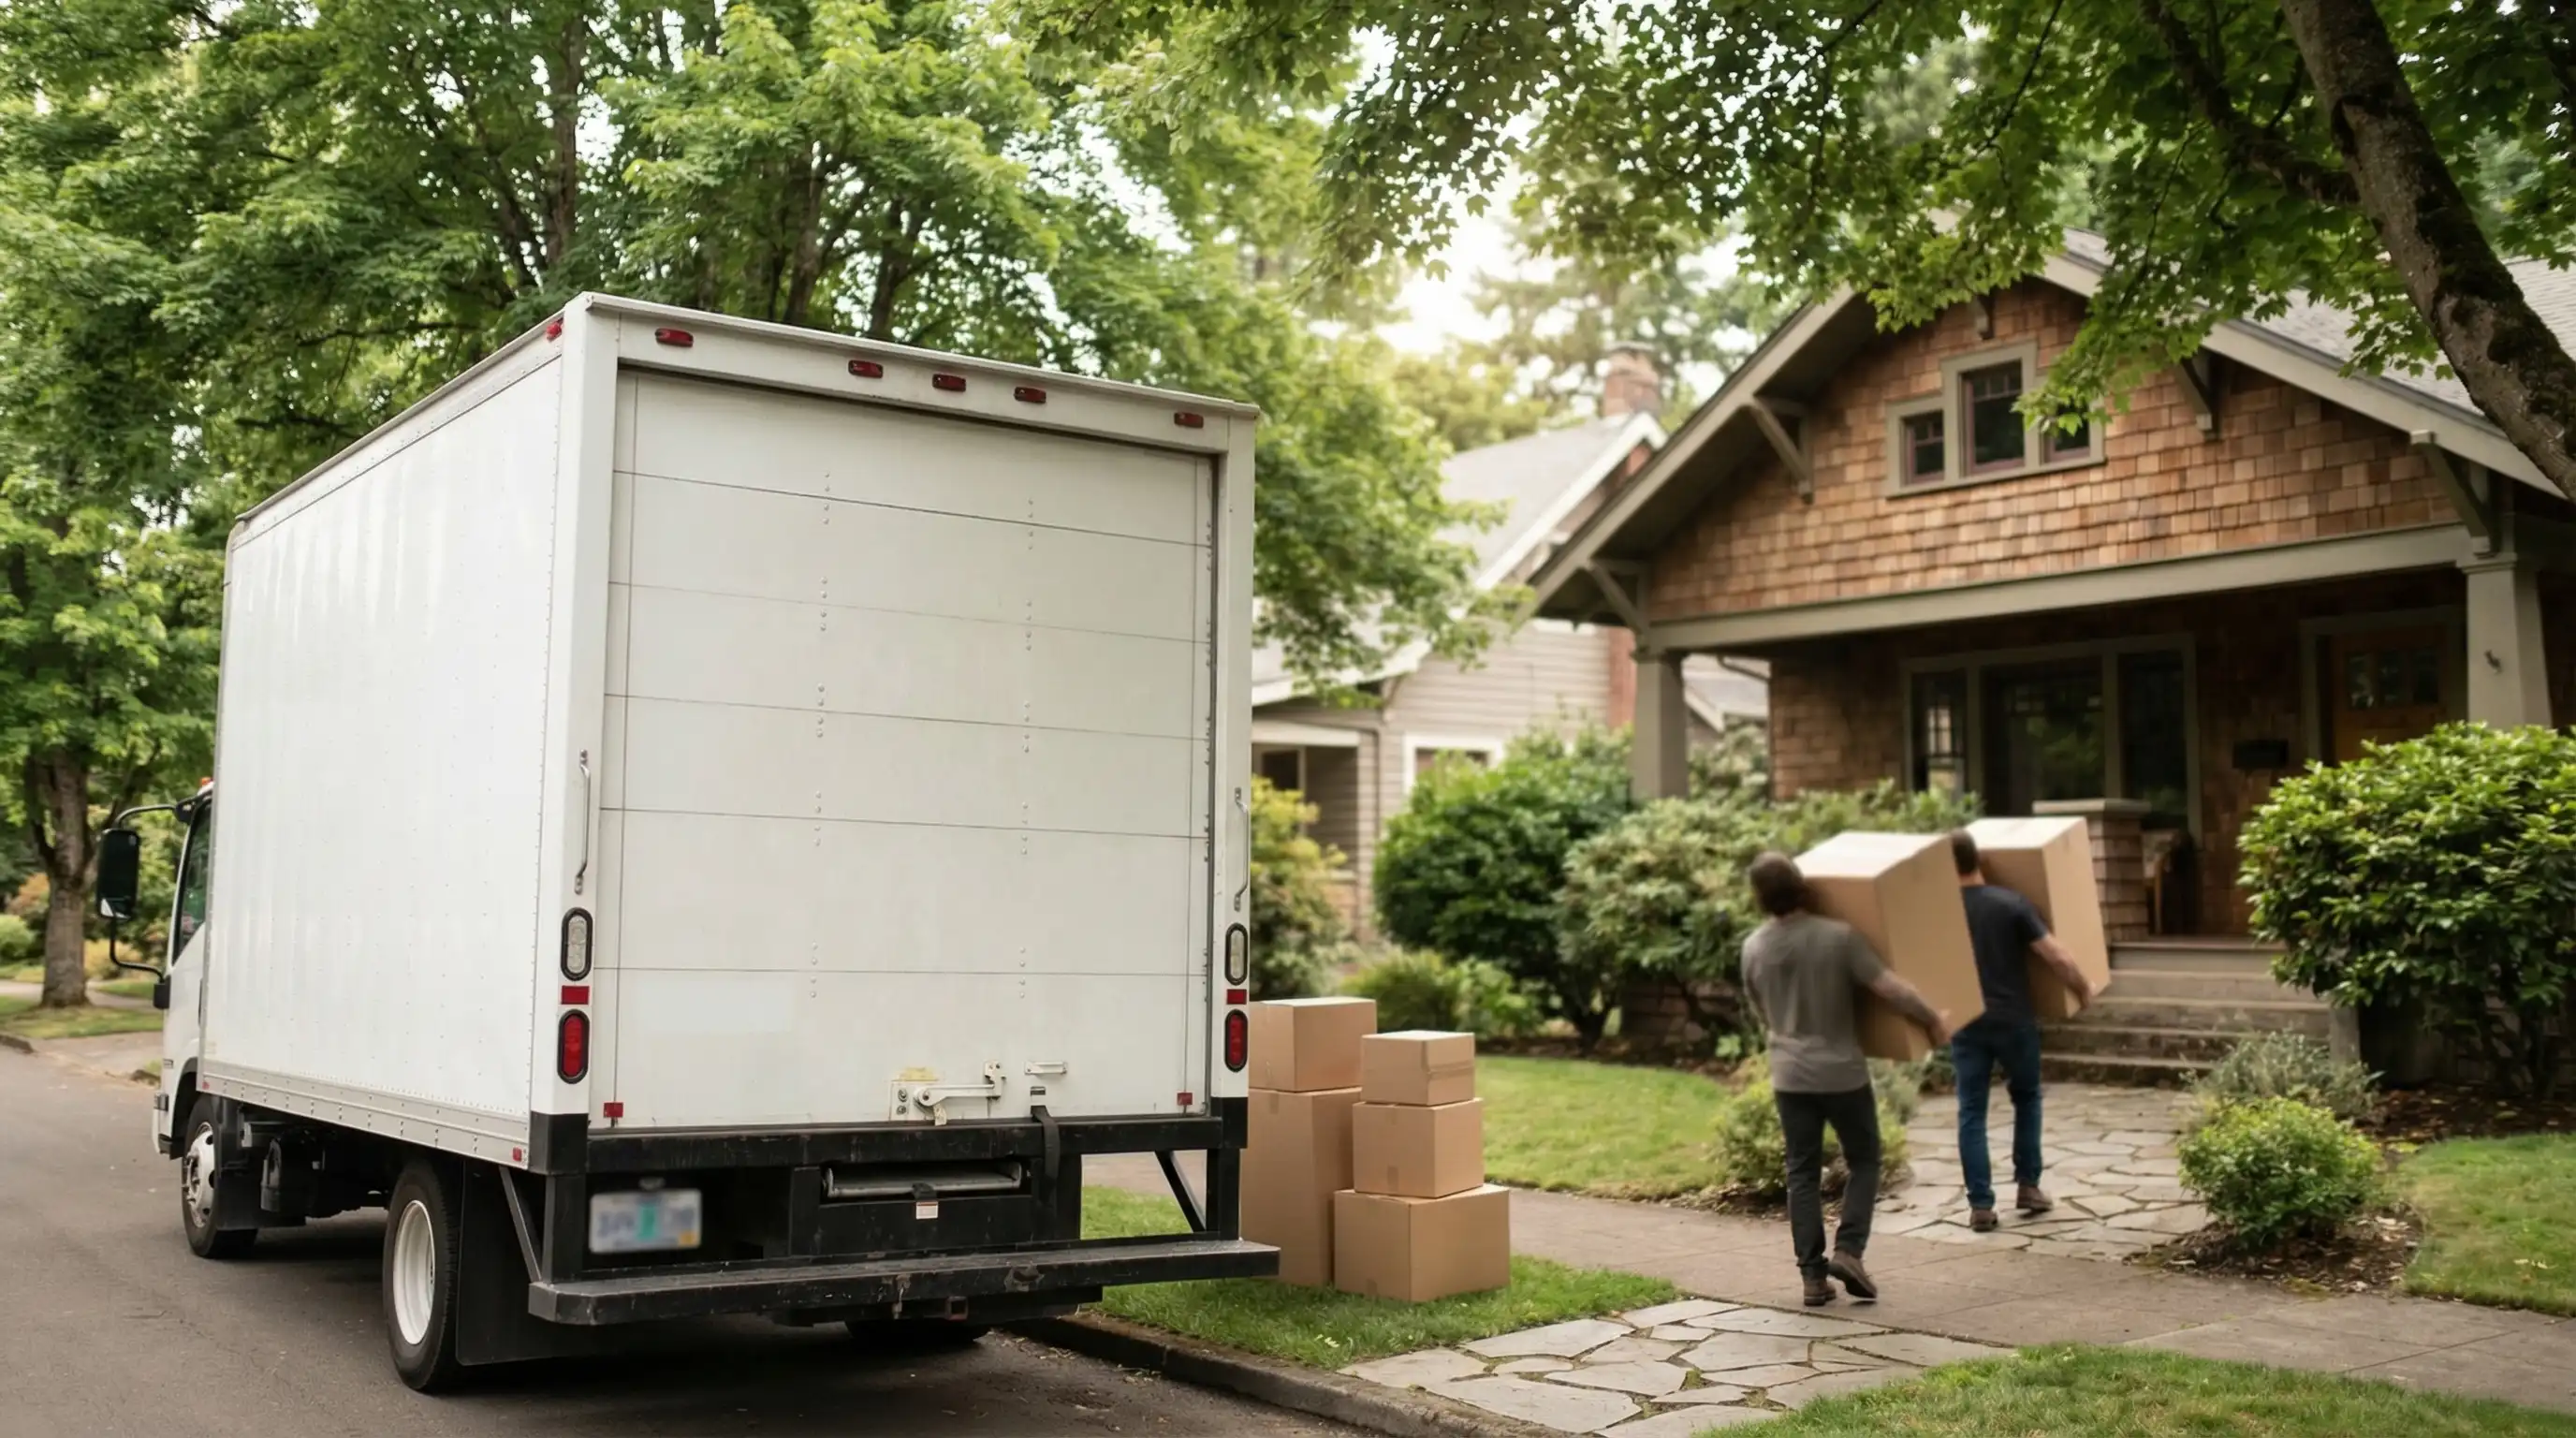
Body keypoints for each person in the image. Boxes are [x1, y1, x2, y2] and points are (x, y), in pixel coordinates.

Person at [1740, 851, 1953, 1307]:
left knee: (1801, 1171)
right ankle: (1850, 1251)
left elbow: (1760, 1011)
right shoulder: (1838, 938)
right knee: (1865, 1160)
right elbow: (1890, 989)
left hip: (1789, 1076)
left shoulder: (1753, 947)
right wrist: (1934, 1022)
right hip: (1841, 1073)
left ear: (1759, 898)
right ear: (1802, 885)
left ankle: (1813, 1279)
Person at [1947, 829, 2099, 1233]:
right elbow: (2055, 955)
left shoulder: (1940, 913)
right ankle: (2028, 1186)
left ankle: (1981, 1205)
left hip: (1965, 1022)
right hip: (2013, 1020)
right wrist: (2083, 989)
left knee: (1971, 1112)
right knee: (2027, 1098)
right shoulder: (2010, 903)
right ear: (1979, 859)